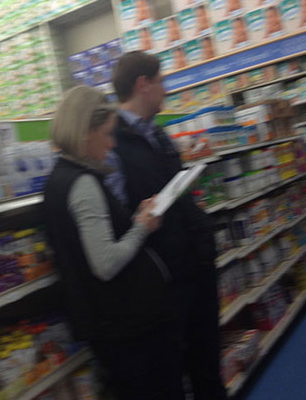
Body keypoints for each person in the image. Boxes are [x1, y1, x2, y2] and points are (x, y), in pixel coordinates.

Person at [44, 85, 182, 400]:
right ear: (84, 132)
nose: (112, 143)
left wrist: (132, 220)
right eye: (106, 134)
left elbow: (89, 241)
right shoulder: (83, 183)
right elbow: (105, 263)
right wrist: (142, 228)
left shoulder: (59, 178)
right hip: (127, 326)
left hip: (110, 325)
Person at [105, 51, 228, 400]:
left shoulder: (158, 135)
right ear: (142, 84)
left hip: (195, 266)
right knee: (171, 376)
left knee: (207, 364)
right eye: (161, 81)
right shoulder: (113, 143)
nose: (167, 89)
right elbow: (119, 218)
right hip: (164, 282)